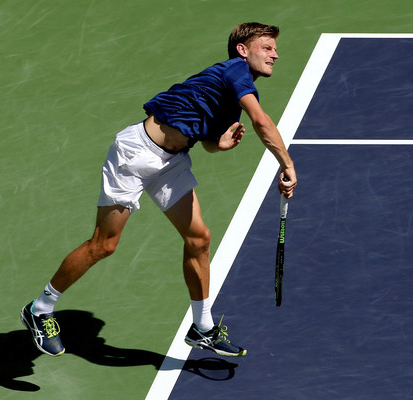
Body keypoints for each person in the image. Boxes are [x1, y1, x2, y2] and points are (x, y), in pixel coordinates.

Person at [21, 22, 297, 358]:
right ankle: (40, 309)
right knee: (103, 245)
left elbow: (205, 142)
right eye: (267, 47)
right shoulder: (235, 71)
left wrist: (218, 145)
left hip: (172, 161)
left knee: (199, 239)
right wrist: (286, 164)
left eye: (274, 49)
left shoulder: (229, 92)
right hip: (135, 154)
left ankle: (203, 328)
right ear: (243, 50)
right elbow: (262, 122)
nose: (275, 55)